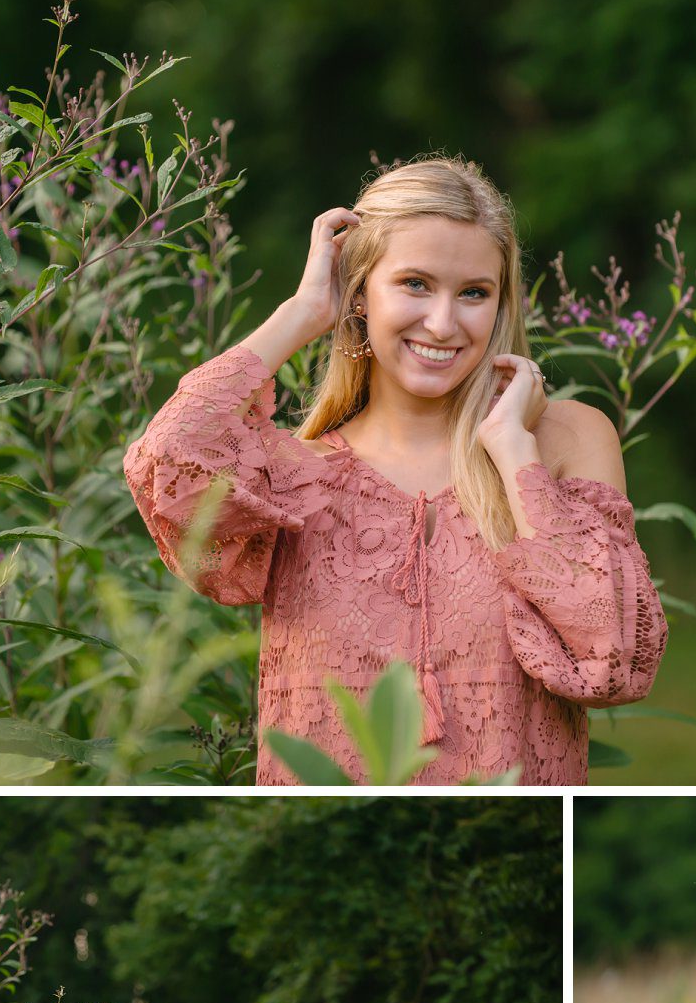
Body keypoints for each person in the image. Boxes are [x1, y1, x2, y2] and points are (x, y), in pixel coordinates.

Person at [123, 155, 667, 783]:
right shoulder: (294, 476)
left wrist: (514, 452)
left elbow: (614, 660)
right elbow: (167, 461)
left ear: (501, 303)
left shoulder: (566, 439)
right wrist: (301, 315)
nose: (443, 323)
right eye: (414, 283)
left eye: (473, 293)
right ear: (358, 294)